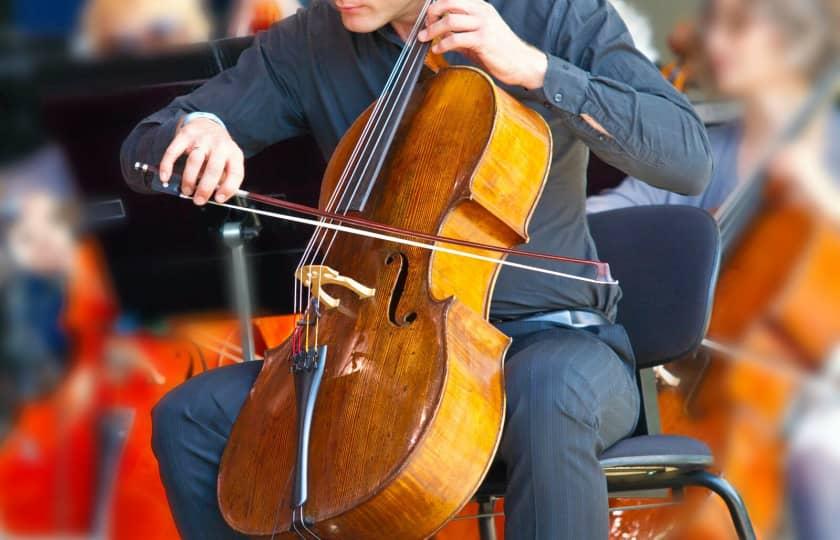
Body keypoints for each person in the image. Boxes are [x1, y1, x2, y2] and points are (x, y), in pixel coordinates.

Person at [121, 0, 712, 538]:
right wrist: (201, 131)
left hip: (554, 341)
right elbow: (142, 148)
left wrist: (534, 69)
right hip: (382, 353)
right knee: (192, 418)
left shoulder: (553, 14)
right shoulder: (308, 42)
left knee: (544, 390)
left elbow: (687, 158)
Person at [588, 1, 839, 539]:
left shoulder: (834, 147)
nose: (716, 41)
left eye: (739, 26)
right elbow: (622, 210)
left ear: (793, 41)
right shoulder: (711, 149)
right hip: (719, 382)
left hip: (819, 377)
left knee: (823, 450)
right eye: (714, 25)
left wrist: (820, 194)